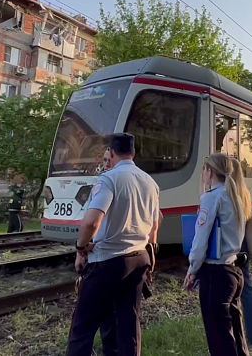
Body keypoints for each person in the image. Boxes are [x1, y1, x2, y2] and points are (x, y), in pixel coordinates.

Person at [66, 133, 160, 356]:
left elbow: (91, 221)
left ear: (112, 152)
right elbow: (155, 228)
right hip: (139, 258)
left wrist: (80, 249)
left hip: (108, 260)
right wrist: (151, 262)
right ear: (133, 153)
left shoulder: (109, 179)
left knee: (83, 326)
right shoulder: (150, 182)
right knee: (128, 323)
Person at [184, 153, 249, 356]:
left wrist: (192, 270)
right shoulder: (236, 197)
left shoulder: (212, 198)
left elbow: (200, 238)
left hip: (216, 274)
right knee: (236, 333)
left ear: (209, 172)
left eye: (204, 170)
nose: (202, 174)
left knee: (219, 337)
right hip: (234, 271)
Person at [229, 158, 252, 349]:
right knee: (246, 290)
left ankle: (235, 337)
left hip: (231, 246)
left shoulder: (227, 193)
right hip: (243, 246)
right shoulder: (244, 193)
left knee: (229, 293)